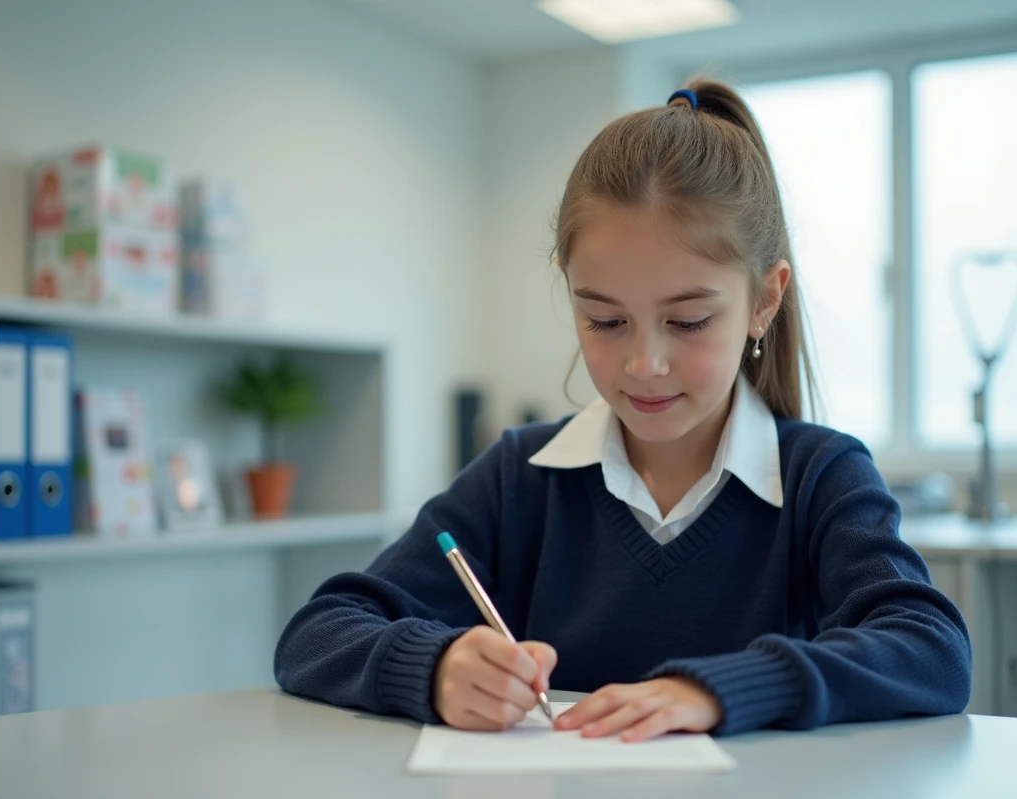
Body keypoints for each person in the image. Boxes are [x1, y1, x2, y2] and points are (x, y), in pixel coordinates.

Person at [274, 79, 972, 741]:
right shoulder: (522, 476)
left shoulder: (821, 475)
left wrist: (721, 690)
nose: (644, 365)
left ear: (765, 299)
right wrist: (434, 668)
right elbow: (317, 633)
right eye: (605, 321)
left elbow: (931, 650)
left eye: (689, 321)